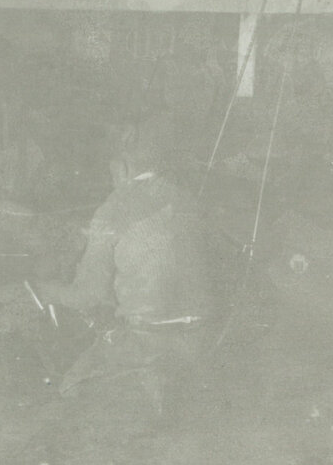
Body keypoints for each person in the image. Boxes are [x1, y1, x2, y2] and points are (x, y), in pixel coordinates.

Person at [36, 145, 213, 424]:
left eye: (111, 172)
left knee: (69, 387)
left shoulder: (114, 208)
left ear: (123, 168)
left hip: (149, 341)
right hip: (200, 336)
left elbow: (87, 296)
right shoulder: (187, 199)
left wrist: (46, 290)